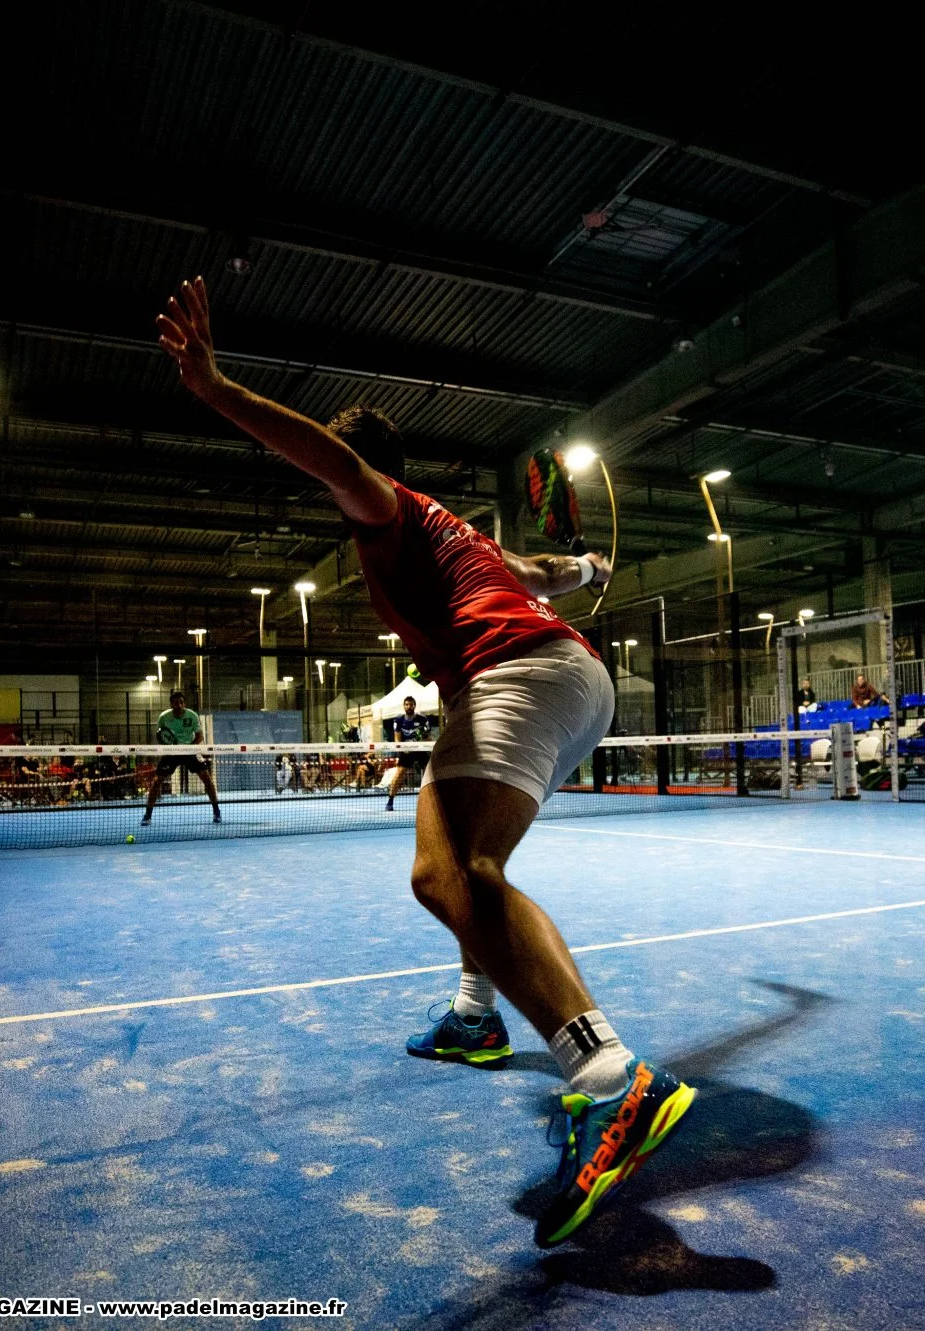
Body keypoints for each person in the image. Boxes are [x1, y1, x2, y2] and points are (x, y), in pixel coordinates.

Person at [158, 276, 690, 1248]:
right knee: (477, 865)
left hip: (515, 679)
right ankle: (473, 1013)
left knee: (446, 870)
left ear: (357, 465)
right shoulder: (467, 533)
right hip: (574, 681)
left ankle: (608, 1077)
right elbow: (545, 573)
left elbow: (324, 454)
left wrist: (216, 387)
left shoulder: (386, 506)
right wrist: (591, 572)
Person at [141, 689, 222, 825]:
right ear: (171, 704)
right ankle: (147, 815)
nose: (179, 705)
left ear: (184, 703)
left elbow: (200, 736)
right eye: (175, 703)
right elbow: (160, 736)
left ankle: (217, 812)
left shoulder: (192, 716)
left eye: (181, 702)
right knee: (156, 782)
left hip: (190, 751)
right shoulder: (164, 717)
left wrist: (190, 747)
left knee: (207, 779)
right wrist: (168, 745)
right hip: (171, 753)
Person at [383, 695, 434, 810]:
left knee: (428, 774)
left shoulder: (423, 719)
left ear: (414, 706)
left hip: (420, 750)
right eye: (407, 704)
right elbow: (397, 738)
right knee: (399, 774)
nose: (409, 706)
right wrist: (402, 748)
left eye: (411, 704)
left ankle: (432, 799)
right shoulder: (399, 720)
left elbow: (429, 737)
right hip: (406, 751)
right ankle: (390, 800)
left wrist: (421, 739)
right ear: (404, 706)